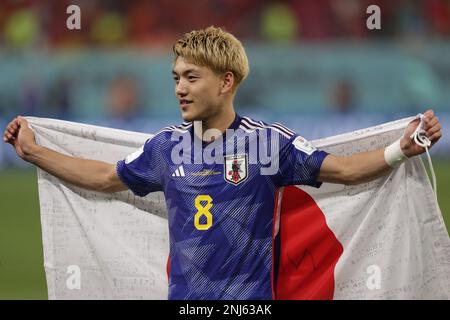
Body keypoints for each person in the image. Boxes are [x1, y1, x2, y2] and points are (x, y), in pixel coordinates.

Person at [3, 26, 442, 300]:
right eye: (176, 77)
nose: (179, 88)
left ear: (226, 81)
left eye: (192, 77)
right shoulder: (165, 149)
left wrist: (400, 150)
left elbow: (343, 171)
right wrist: (34, 151)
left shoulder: (268, 145)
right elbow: (103, 177)